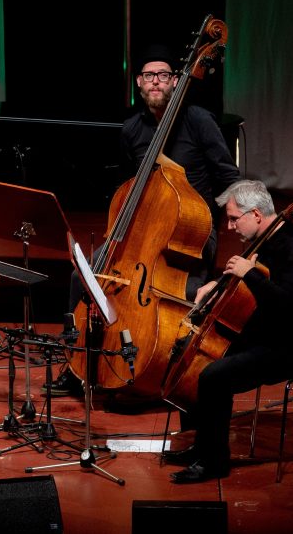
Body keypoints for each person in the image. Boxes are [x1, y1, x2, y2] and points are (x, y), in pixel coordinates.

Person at [46, 43, 241, 396]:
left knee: (177, 292)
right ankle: (77, 366)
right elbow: (127, 184)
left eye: (163, 75)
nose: (156, 82)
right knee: (82, 276)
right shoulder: (131, 129)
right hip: (140, 230)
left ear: (175, 81)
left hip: (189, 234)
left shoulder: (198, 121)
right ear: (139, 83)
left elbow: (228, 175)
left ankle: (161, 364)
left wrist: (234, 211)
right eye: (149, 76)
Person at [165, 179, 293, 483]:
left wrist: (249, 273)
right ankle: (201, 445)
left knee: (214, 376)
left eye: (233, 218)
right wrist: (217, 284)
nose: (228, 227)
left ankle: (214, 462)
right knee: (196, 356)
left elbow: (289, 304)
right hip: (267, 332)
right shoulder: (264, 241)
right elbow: (252, 290)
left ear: (255, 214)